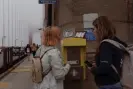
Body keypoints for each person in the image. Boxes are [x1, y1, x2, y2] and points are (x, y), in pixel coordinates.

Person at [89, 16, 127, 89]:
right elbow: (110, 63)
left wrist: (93, 69)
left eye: (94, 29)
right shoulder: (115, 42)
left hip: (108, 85)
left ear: (100, 30)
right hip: (116, 82)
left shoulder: (106, 45)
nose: (93, 31)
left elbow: (105, 68)